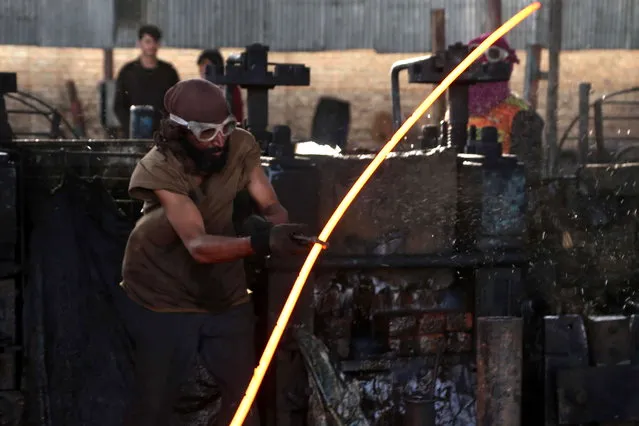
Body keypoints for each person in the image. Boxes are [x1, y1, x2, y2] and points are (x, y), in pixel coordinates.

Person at [118, 78, 312, 426]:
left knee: (243, 396)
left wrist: (276, 227)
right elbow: (196, 245)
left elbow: (271, 205)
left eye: (226, 127)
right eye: (207, 133)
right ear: (179, 131)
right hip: (162, 293)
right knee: (155, 405)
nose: (220, 139)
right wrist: (258, 244)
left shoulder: (239, 146)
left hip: (224, 289)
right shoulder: (159, 166)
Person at [465, 32, 544, 180]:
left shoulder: (522, 116)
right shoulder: (456, 111)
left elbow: (528, 178)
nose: (482, 62)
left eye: (492, 54)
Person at [114, 24, 180, 137]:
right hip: (134, 131)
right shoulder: (128, 72)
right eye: (148, 41)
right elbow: (119, 105)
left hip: (162, 133)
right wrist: (130, 126)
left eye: (155, 42)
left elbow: (177, 103)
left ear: (159, 44)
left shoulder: (168, 72)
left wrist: (168, 127)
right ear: (139, 43)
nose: (151, 46)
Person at [197, 49, 244, 124]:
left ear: (216, 66)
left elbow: (237, 115)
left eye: (205, 63)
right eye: (201, 64)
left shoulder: (230, 88)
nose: (202, 68)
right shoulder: (198, 88)